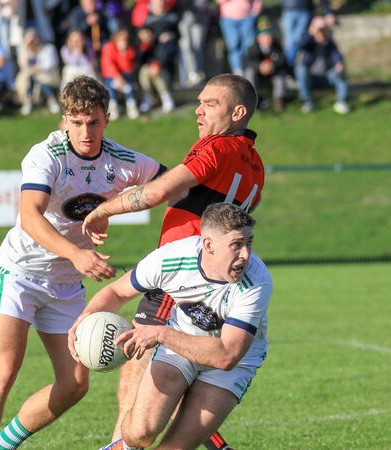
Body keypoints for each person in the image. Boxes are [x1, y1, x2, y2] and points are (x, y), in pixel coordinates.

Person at [0, 75, 167, 450]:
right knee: (4, 371)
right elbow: (30, 216)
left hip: (64, 284)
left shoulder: (122, 161)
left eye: (93, 121)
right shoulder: (47, 155)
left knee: (75, 384)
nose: (85, 131)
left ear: (107, 119)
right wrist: (77, 254)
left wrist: (111, 206)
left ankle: (3, 445)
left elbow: (170, 185)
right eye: (76, 122)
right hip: (18, 272)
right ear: (64, 120)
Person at [82, 73, 264, 450]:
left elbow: (160, 191)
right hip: (211, 282)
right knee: (170, 372)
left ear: (238, 112)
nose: (198, 110)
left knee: (137, 370)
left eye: (209, 104)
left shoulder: (216, 147)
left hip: (180, 277)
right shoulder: (256, 163)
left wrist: (105, 209)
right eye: (198, 102)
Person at [70, 203, 272, 450]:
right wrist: (86, 318)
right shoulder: (172, 258)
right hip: (180, 346)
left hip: (234, 363)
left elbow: (227, 355)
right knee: (138, 433)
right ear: (208, 245)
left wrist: (161, 333)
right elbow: (116, 292)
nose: (246, 255)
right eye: (237, 245)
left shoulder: (256, 281)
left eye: (249, 243)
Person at [294, 16, 349, 114]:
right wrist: (311, 32)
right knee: (300, 69)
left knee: (341, 70)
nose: (321, 32)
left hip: (326, 77)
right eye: (319, 30)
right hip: (311, 77)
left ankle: (341, 102)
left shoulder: (330, 44)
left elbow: (337, 57)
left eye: (323, 30)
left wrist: (339, 64)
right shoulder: (308, 43)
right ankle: (308, 102)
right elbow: (300, 45)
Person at [243, 19, 286, 113]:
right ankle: (251, 100)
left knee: (281, 74)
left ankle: (278, 100)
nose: (268, 39)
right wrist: (259, 66)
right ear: (259, 38)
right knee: (249, 72)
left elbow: (282, 60)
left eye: (269, 36)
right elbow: (246, 62)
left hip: (272, 74)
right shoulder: (253, 48)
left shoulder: (276, 46)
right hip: (258, 76)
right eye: (265, 37)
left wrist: (272, 65)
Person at [15, 28, 61, 116]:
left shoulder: (48, 49)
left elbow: (48, 66)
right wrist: (25, 46)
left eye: (33, 39)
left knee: (39, 79)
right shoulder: (25, 51)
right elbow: (23, 65)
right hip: (33, 77)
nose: (32, 42)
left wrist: (32, 69)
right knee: (28, 78)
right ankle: (28, 101)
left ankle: (51, 100)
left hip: (49, 76)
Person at [135, 25, 176, 115]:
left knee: (157, 73)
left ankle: (166, 98)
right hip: (147, 73)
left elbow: (165, 57)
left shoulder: (162, 42)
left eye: (147, 34)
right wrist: (144, 48)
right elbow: (138, 61)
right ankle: (147, 98)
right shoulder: (140, 46)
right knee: (145, 71)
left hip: (163, 72)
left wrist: (157, 65)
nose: (145, 37)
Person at [100, 28, 139, 120]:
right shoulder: (108, 47)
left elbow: (128, 68)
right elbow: (108, 64)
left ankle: (131, 106)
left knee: (128, 84)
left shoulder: (130, 50)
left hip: (125, 75)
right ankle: (113, 108)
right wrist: (117, 77)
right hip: (111, 75)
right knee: (110, 86)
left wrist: (123, 53)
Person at [281, 0, 335, 65]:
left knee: (298, 41)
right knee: (290, 43)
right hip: (289, 9)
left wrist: (328, 11)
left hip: (304, 9)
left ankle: (290, 67)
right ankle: (289, 67)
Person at [216, 0, 262, 75]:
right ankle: (237, 70)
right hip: (228, 18)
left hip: (247, 17)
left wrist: (254, 12)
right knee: (233, 45)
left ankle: (248, 68)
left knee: (248, 45)